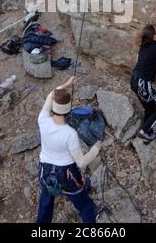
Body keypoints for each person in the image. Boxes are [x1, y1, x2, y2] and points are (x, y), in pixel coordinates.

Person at [36, 76, 101, 223]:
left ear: (53, 106)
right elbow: (82, 162)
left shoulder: (43, 119)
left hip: (45, 171)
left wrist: (66, 84)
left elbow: (51, 95)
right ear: (69, 109)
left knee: (46, 202)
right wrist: (96, 148)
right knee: (85, 205)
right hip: (66, 174)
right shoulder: (69, 133)